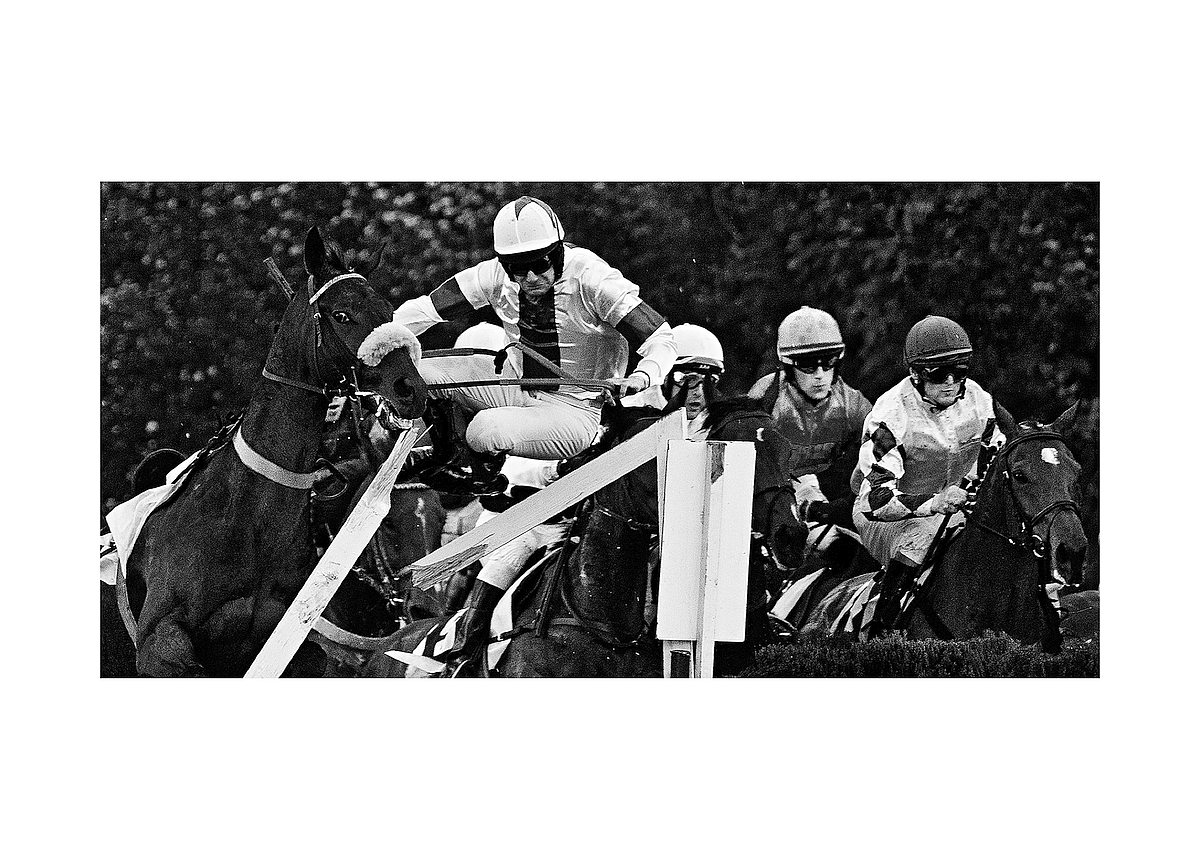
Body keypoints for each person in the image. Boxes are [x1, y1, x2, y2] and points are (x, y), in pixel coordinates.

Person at [392, 197, 677, 664]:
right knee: (419, 373)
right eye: (516, 268)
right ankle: (445, 463)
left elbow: (661, 336)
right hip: (517, 389)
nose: (528, 278)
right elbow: (424, 310)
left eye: (539, 265)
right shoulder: (494, 276)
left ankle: (476, 473)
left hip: (573, 412)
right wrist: (377, 337)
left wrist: (644, 375)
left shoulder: (595, 280)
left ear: (559, 252)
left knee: (484, 431)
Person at [851, 315, 1006, 637]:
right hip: (884, 516)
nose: (950, 382)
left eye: (959, 372)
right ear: (915, 374)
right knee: (924, 535)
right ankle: (882, 629)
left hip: (954, 506)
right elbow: (877, 501)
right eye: (938, 374)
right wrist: (935, 503)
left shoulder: (979, 400)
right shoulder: (889, 414)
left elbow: (999, 457)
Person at [748, 307, 871, 567]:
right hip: (772, 493)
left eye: (828, 362)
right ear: (788, 367)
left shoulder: (854, 405)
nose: (819, 374)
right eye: (808, 365)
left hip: (823, 492)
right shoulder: (766, 398)